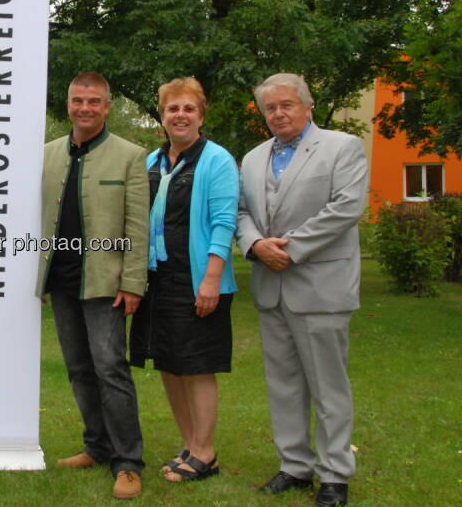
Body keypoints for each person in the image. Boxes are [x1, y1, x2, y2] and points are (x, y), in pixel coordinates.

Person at [236, 73, 368, 507]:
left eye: (287, 105)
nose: (278, 113)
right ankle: (293, 465)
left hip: (320, 286)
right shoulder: (253, 158)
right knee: (284, 384)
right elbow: (240, 212)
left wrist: (291, 251)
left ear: (308, 105)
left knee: (328, 386)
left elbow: (346, 207)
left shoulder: (341, 147)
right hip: (270, 287)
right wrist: (255, 245)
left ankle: (334, 475)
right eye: (270, 108)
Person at [36, 71, 150, 500]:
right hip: (62, 283)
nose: (85, 108)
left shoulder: (130, 156)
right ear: (68, 103)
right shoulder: (46, 155)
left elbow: (138, 227)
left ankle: (128, 462)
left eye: (94, 102)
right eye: (78, 100)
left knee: (111, 370)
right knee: (79, 369)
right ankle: (95, 447)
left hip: (106, 284)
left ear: (107, 106)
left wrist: (134, 282)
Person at [129, 77, 239, 483]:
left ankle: (205, 452)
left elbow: (225, 223)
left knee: (196, 365)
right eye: (173, 108)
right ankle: (190, 445)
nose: (180, 115)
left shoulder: (217, 160)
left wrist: (211, 279)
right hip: (158, 279)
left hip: (197, 279)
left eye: (188, 108)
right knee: (169, 365)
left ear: (201, 114)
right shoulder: (151, 163)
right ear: (162, 116)